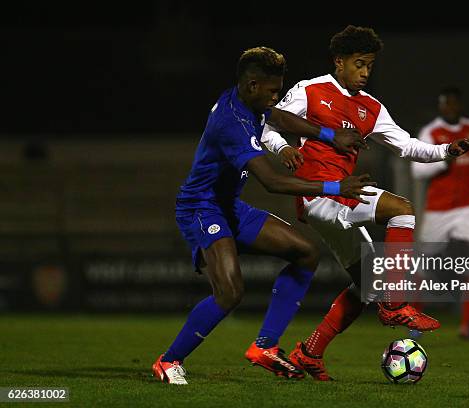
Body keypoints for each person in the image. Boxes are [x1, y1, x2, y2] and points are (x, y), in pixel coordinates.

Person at [261, 26, 469, 380]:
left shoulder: (371, 108)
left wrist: (445, 151)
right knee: (402, 209)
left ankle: (309, 353)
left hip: (342, 196)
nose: (364, 72)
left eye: (370, 66)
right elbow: (269, 124)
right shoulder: (311, 90)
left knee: (366, 286)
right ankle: (395, 303)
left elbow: (407, 146)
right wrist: (283, 147)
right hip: (319, 194)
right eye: (359, 64)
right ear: (339, 62)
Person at [151, 46, 376, 384]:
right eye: (273, 91)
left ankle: (265, 347)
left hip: (229, 205)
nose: (277, 97)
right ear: (253, 85)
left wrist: (330, 135)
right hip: (202, 207)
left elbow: (281, 118)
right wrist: (335, 187)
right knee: (230, 292)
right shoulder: (232, 123)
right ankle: (169, 362)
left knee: (305, 253)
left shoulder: (251, 102)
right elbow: (271, 182)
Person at [411, 86, 469, 341]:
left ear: (459, 105)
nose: (450, 108)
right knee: (423, 265)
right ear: (440, 106)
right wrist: (445, 160)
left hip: (467, 207)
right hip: (438, 209)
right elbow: (418, 171)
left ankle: (467, 325)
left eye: (454, 103)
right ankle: (415, 321)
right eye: (446, 104)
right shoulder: (431, 132)